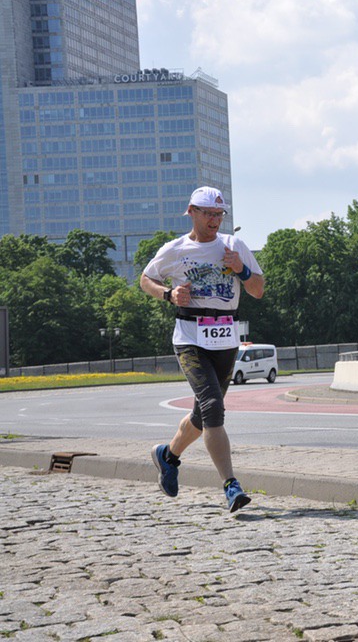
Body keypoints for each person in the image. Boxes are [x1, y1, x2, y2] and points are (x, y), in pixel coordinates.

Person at [141, 187, 264, 513]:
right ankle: (231, 485)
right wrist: (168, 295)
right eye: (209, 213)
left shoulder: (233, 245)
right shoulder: (175, 249)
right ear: (192, 211)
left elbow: (258, 290)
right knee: (212, 407)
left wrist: (242, 269)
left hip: (225, 337)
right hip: (190, 337)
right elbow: (145, 279)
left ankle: (168, 456)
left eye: (219, 214)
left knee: (203, 414)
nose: (215, 220)